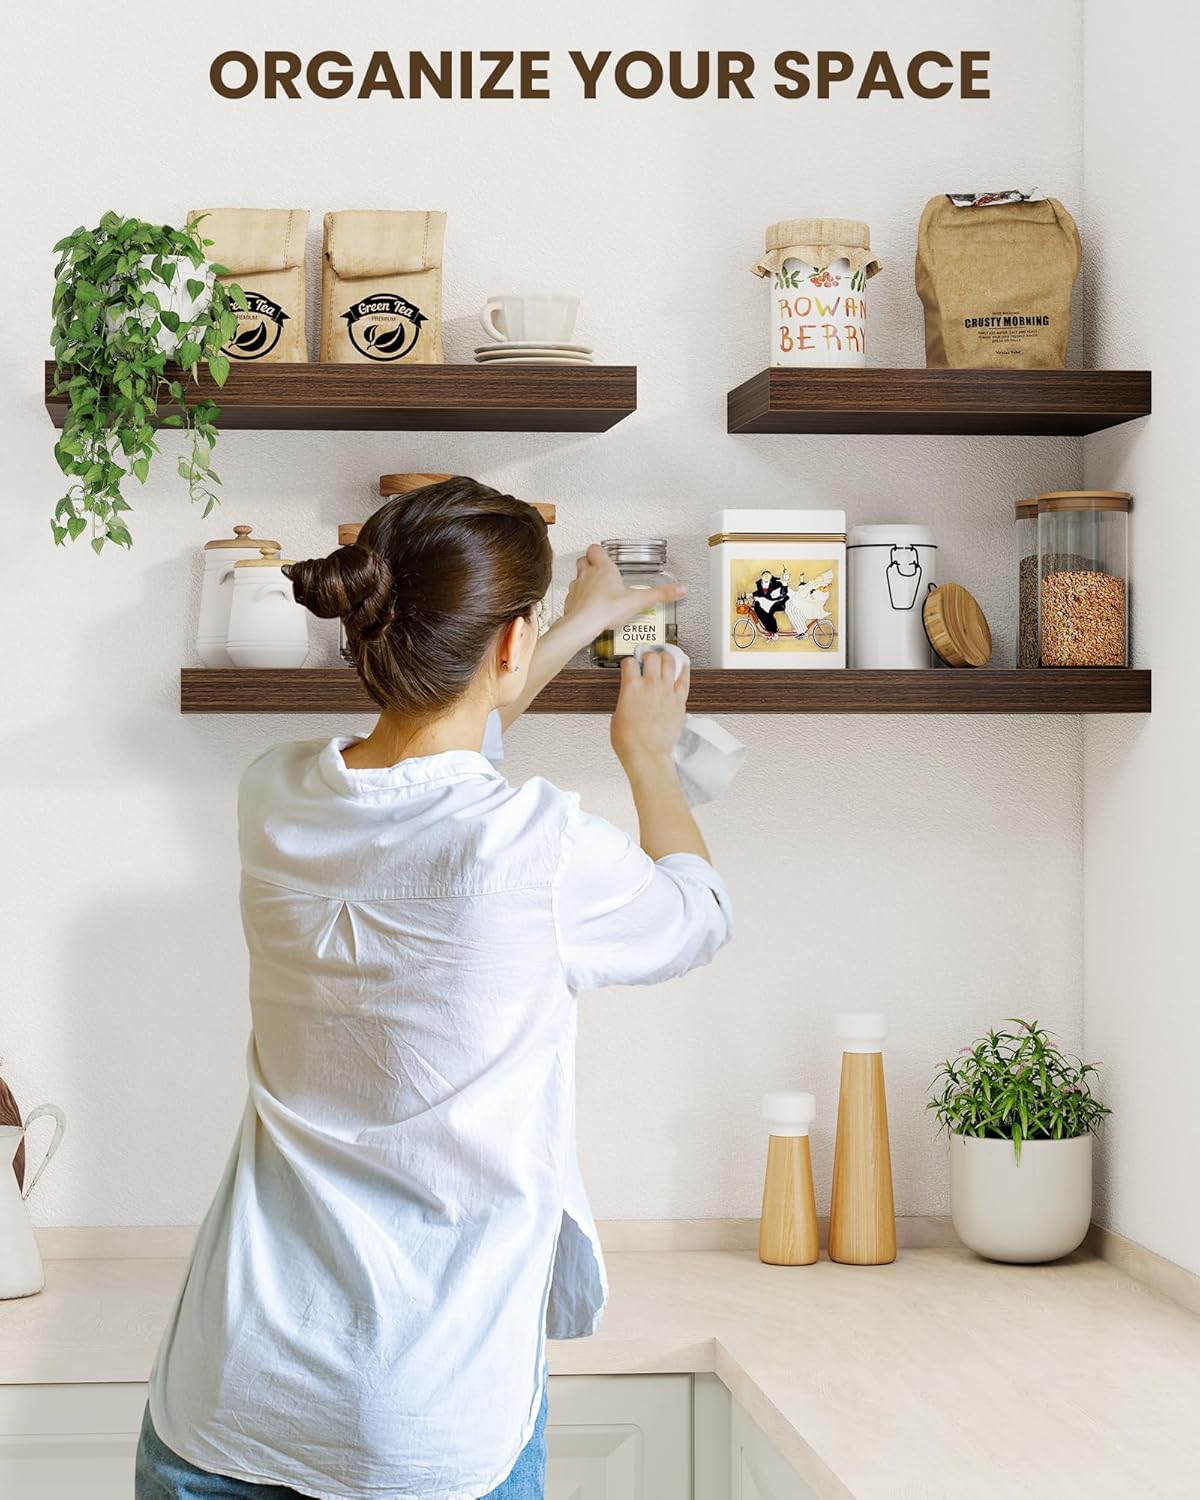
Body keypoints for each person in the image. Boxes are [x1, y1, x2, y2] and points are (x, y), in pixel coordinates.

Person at [135, 478, 733, 1500]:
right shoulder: (542, 847)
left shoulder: (273, 794)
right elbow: (697, 912)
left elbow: (435, 753)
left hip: (224, 1398)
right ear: (508, 644)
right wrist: (647, 757)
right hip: (424, 1427)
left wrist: (564, 623)